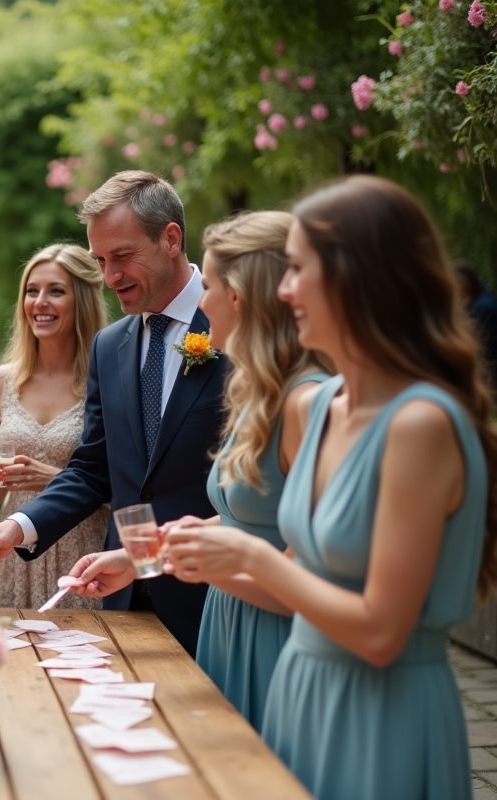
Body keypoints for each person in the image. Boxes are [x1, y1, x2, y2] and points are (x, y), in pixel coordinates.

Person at [166, 176, 497, 799]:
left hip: (382, 716)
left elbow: (381, 631)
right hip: (298, 693)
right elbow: (297, 567)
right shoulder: (328, 409)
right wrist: (198, 554)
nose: (282, 288)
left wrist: (247, 555)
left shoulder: (420, 423)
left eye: (298, 268)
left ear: (358, 277)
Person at [72, 212, 333, 728]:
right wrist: (143, 556)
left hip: (274, 634)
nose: (202, 302)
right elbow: (247, 515)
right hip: (230, 621)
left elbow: (313, 556)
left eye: (209, 285)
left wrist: (220, 563)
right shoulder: (259, 393)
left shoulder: (308, 401)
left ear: (245, 296)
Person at [0, 170, 229, 657]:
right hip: (119, 596)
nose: (110, 278)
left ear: (171, 239)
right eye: (101, 261)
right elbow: (92, 468)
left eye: (123, 257)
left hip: (212, 593)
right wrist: (20, 525)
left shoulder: (233, 327)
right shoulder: (110, 346)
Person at [0, 244, 110, 610]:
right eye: (32, 291)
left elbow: (121, 491)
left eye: (56, 291)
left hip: (83, 552)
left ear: (82, 300)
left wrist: (51, 477)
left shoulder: (110, 383)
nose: (40, 302)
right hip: (13, 551)